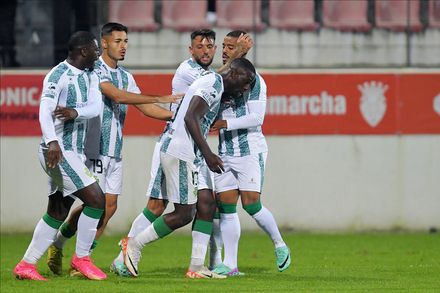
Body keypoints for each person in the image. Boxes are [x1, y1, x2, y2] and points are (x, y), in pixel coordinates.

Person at [109, 29, 253, 277]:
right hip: (180, 146)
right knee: (172, 209)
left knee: (207, 203)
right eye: (200, 46)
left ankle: (197, 267)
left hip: (190, 149)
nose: (244, 89)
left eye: (211, 46)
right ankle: (131, 246)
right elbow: (190, 116)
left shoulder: (213, 79)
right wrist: (208, 153)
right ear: (191, 49)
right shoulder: (195, 74)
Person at [45, 22, 181, 277]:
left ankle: (77, 255)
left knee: (108, 208)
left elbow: (144, 107)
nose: (123, 46)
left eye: (126, 41)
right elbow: (117, 96)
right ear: (104, 43)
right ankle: (66, 248)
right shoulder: (93, 71)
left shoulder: (126, 75)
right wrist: (159, 97)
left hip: (114, 150)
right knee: (94, 204)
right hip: (91, 149)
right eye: (118, 41)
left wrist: (175, 118)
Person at [13, 31, 106, 281]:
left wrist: (75, 112)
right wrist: (52, 140)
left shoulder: (92, 75)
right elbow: (44, 110)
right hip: (57, 150)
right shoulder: (58, 75)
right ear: (83, 51)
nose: (99, 54)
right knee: (97, 200)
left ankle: (26, 265)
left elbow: (96, 108)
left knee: (57, 211)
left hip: (73, 151)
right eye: (96, 50)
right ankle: (82, 259)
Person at [209, 30, 291, 276]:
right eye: (223, 45)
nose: (224, 50)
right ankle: (231, 265)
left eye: (230, 47)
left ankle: (280, 244)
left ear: (241, 52)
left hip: (249, 150)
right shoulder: (219, 78)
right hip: (225, 150)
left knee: (252, 205)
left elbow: (257, 118)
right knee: (225, 208)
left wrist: (224, 124)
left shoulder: (256, 81)